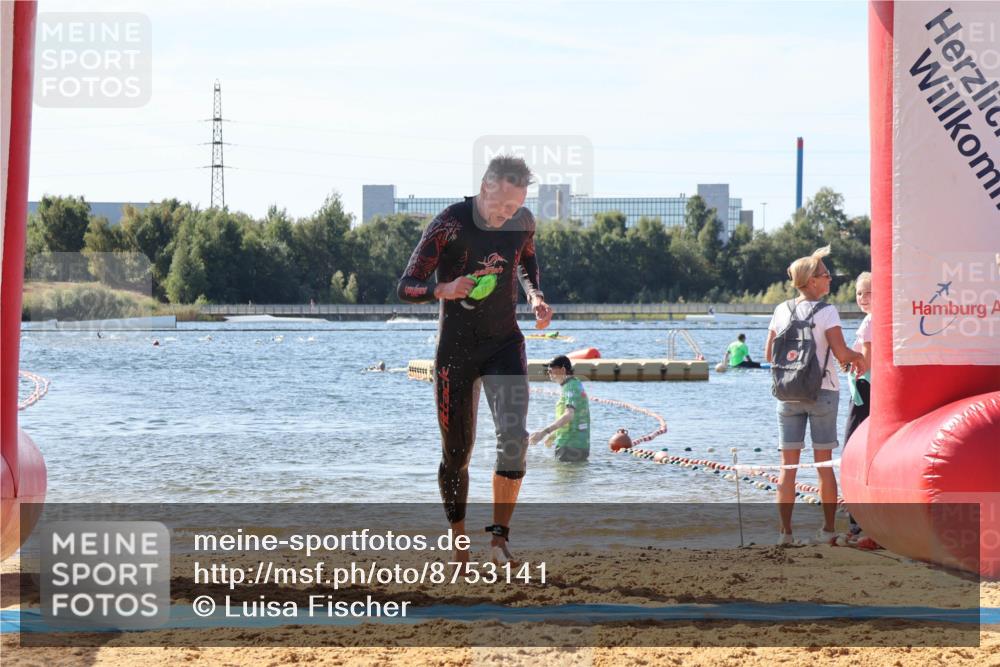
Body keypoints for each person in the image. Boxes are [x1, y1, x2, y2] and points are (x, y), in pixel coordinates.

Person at [397, 155, 553, 566]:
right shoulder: (450, 223)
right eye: (501, 206)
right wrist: (443, 288)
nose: (506, 215)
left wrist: (536, 296)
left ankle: (500, 539)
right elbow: (406, 284)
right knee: (457, 454)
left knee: (514, 441)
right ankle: (458, 541)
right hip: (457, 352)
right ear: (485, 186)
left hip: (504, 345)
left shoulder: (523, 221)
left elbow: (527, 261)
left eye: (513, 207)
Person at [765, 246, 866, 545]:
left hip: (787, 394)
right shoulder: (827, 311)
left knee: (788, 468)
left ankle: (785, 533)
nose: (830, 280)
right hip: (822, 393)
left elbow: (769, 353)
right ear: (811, 282)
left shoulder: (781, 309)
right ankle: (827, 530)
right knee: (823, 465)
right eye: (826, 275)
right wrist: (861, 357)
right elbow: (841, 353)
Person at [529, 355, 591, 462]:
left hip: (569, 446)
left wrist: (544, 432)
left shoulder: (570, 387)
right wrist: (554, 435)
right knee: (573, 476)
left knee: (563, 478)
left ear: (563, 370)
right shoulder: (575, 383)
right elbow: (575, 419)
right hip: (580, 445)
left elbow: (569, 415)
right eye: (547, 371)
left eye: (551, 370)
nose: (549, 373)